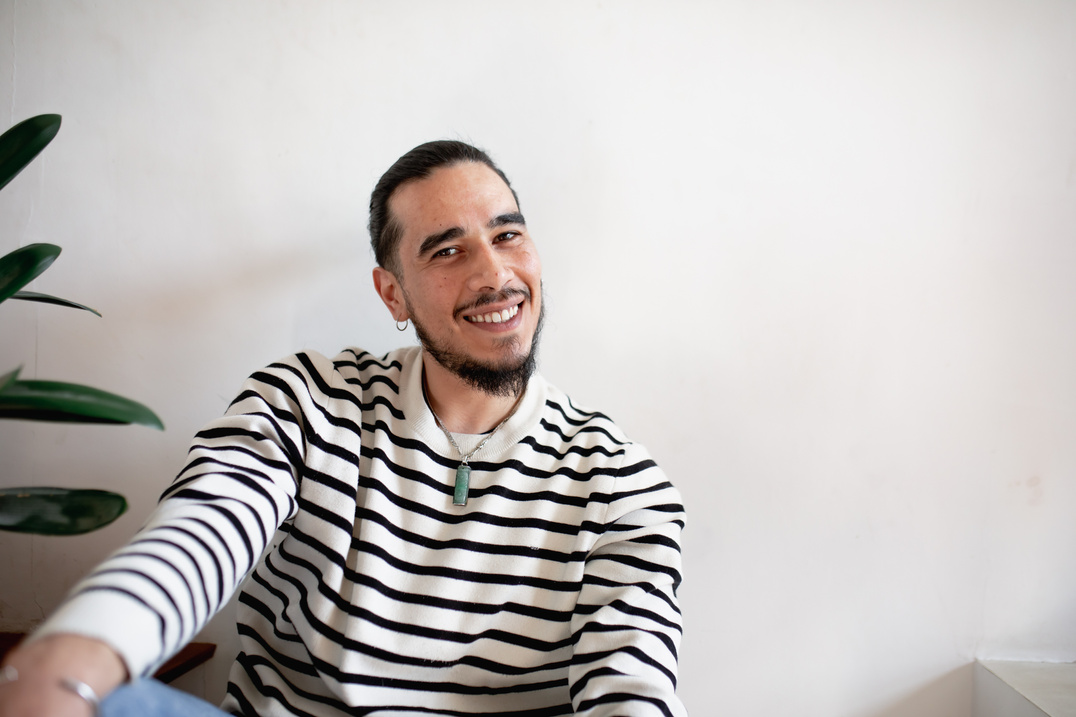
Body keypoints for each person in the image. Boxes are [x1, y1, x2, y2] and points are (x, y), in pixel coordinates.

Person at [0, 141, 687, 716]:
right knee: (109, 700)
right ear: (393, 293)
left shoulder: (621, 481)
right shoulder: (306, 400)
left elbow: (631, 689)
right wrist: (80, 654)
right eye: (447, 251)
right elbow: (202, 530)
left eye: (508, 234)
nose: (494, 273)